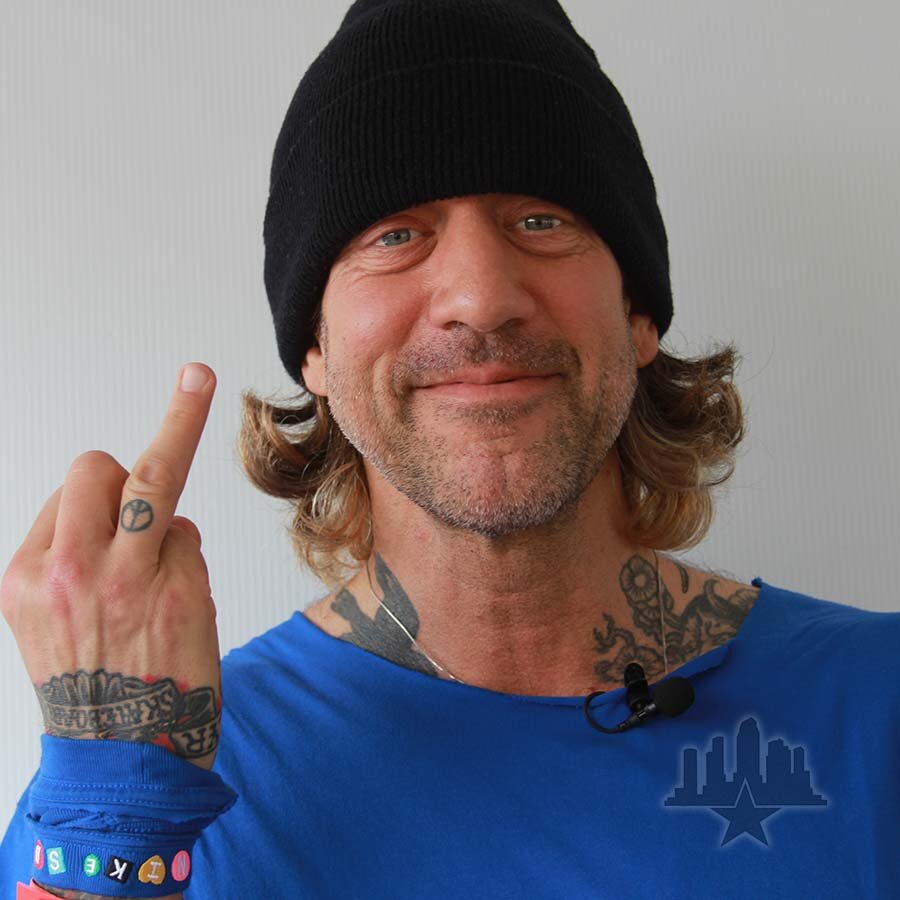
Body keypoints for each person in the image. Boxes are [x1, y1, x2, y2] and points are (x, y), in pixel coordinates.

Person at [3, 1, 899, 898]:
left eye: (541, 220)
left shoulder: (876, 703)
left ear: (637, 316)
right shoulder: (142, 776)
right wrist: (112, 804)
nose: (481, 296)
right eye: (396, 235)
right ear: (314, 349)